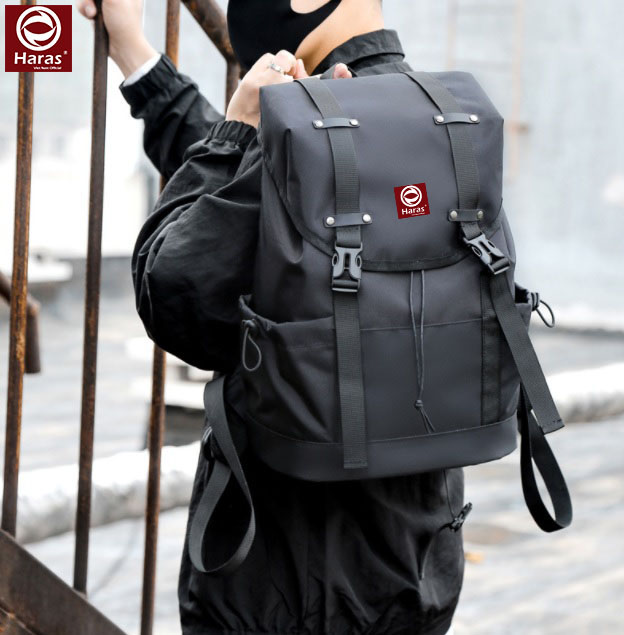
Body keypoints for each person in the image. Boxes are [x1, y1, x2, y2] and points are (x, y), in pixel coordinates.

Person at [78, 1, 465, 633]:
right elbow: (249, 206)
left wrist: (234, 134)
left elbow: (175, 283)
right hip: (414, 570)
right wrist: (136, 55)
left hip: (284, 588)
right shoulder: (437, 116)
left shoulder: (319, 116)